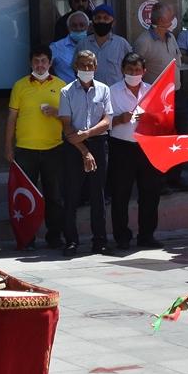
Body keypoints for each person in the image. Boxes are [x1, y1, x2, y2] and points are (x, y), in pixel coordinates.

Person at [6, 47, 66, 249]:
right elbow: (11, 118)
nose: (40, 65)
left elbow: (69, 119)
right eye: (36, 61)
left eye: (43, 61)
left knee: (54, 196)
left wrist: (56, 112)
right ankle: (27, 239)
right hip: (25, 149)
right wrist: (8, 147)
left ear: (50, 63)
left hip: (54, 149)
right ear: (30, 63)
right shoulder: (19, 86)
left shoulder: (61, 86)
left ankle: (54, 237)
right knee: (24, 197)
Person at [58, 49, 113, 256]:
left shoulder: (104, 90)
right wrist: (84, 151)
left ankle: (100, 240)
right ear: (75, 67)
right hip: (74, 146)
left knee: (97, 195)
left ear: (96, 67)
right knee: (72, 193)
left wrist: (88, 134)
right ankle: (71, 241)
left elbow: (107, 120)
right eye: (82, 65)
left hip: (98, 143)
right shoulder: (66, 92)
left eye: (90, 65)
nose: (87, 69)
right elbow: (66, 126)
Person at [107, 53, 162, 249]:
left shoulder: (151, 91)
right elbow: (103, 122)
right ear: (123, 70)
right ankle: (122, 236)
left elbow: (161, 119)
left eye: (137, 70)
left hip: (146, 147)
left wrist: (150, 120)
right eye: (130, 70)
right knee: (120, 193)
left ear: (144, 72)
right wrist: (118, 119)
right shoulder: (112, 92)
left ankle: (146, 235)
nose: (133, 73)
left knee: (150, 192)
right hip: (121, 147)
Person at [77, 4, 131, 87]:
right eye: (98, 18)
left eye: (106, 18)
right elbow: (75, 68)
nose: (101, 21)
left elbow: (130, 70)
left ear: (113, 23)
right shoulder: (83, 44)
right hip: (89, 93)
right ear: (93, 21)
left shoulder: (122, 44)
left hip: (114, 95)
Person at [50, 11, 88, 83]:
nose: (78, 28)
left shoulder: (94, 45)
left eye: (82, 25)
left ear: (88, 28)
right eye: (74, 25)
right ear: (68, 28)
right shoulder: (56, 47)